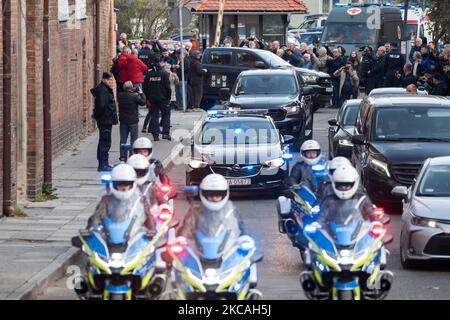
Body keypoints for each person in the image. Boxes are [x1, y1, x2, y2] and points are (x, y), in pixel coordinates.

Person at [87, 164, 156, 234]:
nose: (123, 187)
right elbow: (97, 217)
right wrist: (92, 230)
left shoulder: (140, 199)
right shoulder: (106, 199)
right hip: (110, 235)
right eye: (119, 183)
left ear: (133, 183)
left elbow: (149, 218)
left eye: (127, 183)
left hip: (134, 236)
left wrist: (151, 230)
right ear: (113, 184)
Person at [178, 174, 245, 242]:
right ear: (203, 193)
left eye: (219, 194)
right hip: (198, 248)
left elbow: (240, 231)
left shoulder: (230, 210)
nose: (214, 198)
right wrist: (181, 238)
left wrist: (243, 239)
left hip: (225, 247)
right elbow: (186, 228)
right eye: (210, 194)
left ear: (225, 194)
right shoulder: (195, 210)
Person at [91, 72, 118, 172]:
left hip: (105, 119)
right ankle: (103, 164)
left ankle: (104, 163)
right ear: (104, 80)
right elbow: (101, 106)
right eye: (109, 80)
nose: (111, 82)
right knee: (105, 142)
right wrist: (99, 116)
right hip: (105, 120)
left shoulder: (104, 89)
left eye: (112, 80)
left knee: (104, 141)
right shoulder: (103, 91)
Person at [143, 59, 172, 141]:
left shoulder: (149, 75)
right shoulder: (164, 74)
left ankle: (155, 135)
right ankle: (166, 133)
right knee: (166, 115)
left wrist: (148, 98)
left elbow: (145, 88)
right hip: (163, 99)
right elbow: (168, 88)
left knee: (154, 116)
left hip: (152, 99)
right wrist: (168, 98)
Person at [117, 81, 146, 161]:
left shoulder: (120, 96)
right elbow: (143, 102)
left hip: (123, 121)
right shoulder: (134, 96)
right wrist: (141, 93)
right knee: (133, 140)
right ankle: (132, 155)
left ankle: (123, 156)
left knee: (123, 139)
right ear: (131, 87)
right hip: (133, 121)